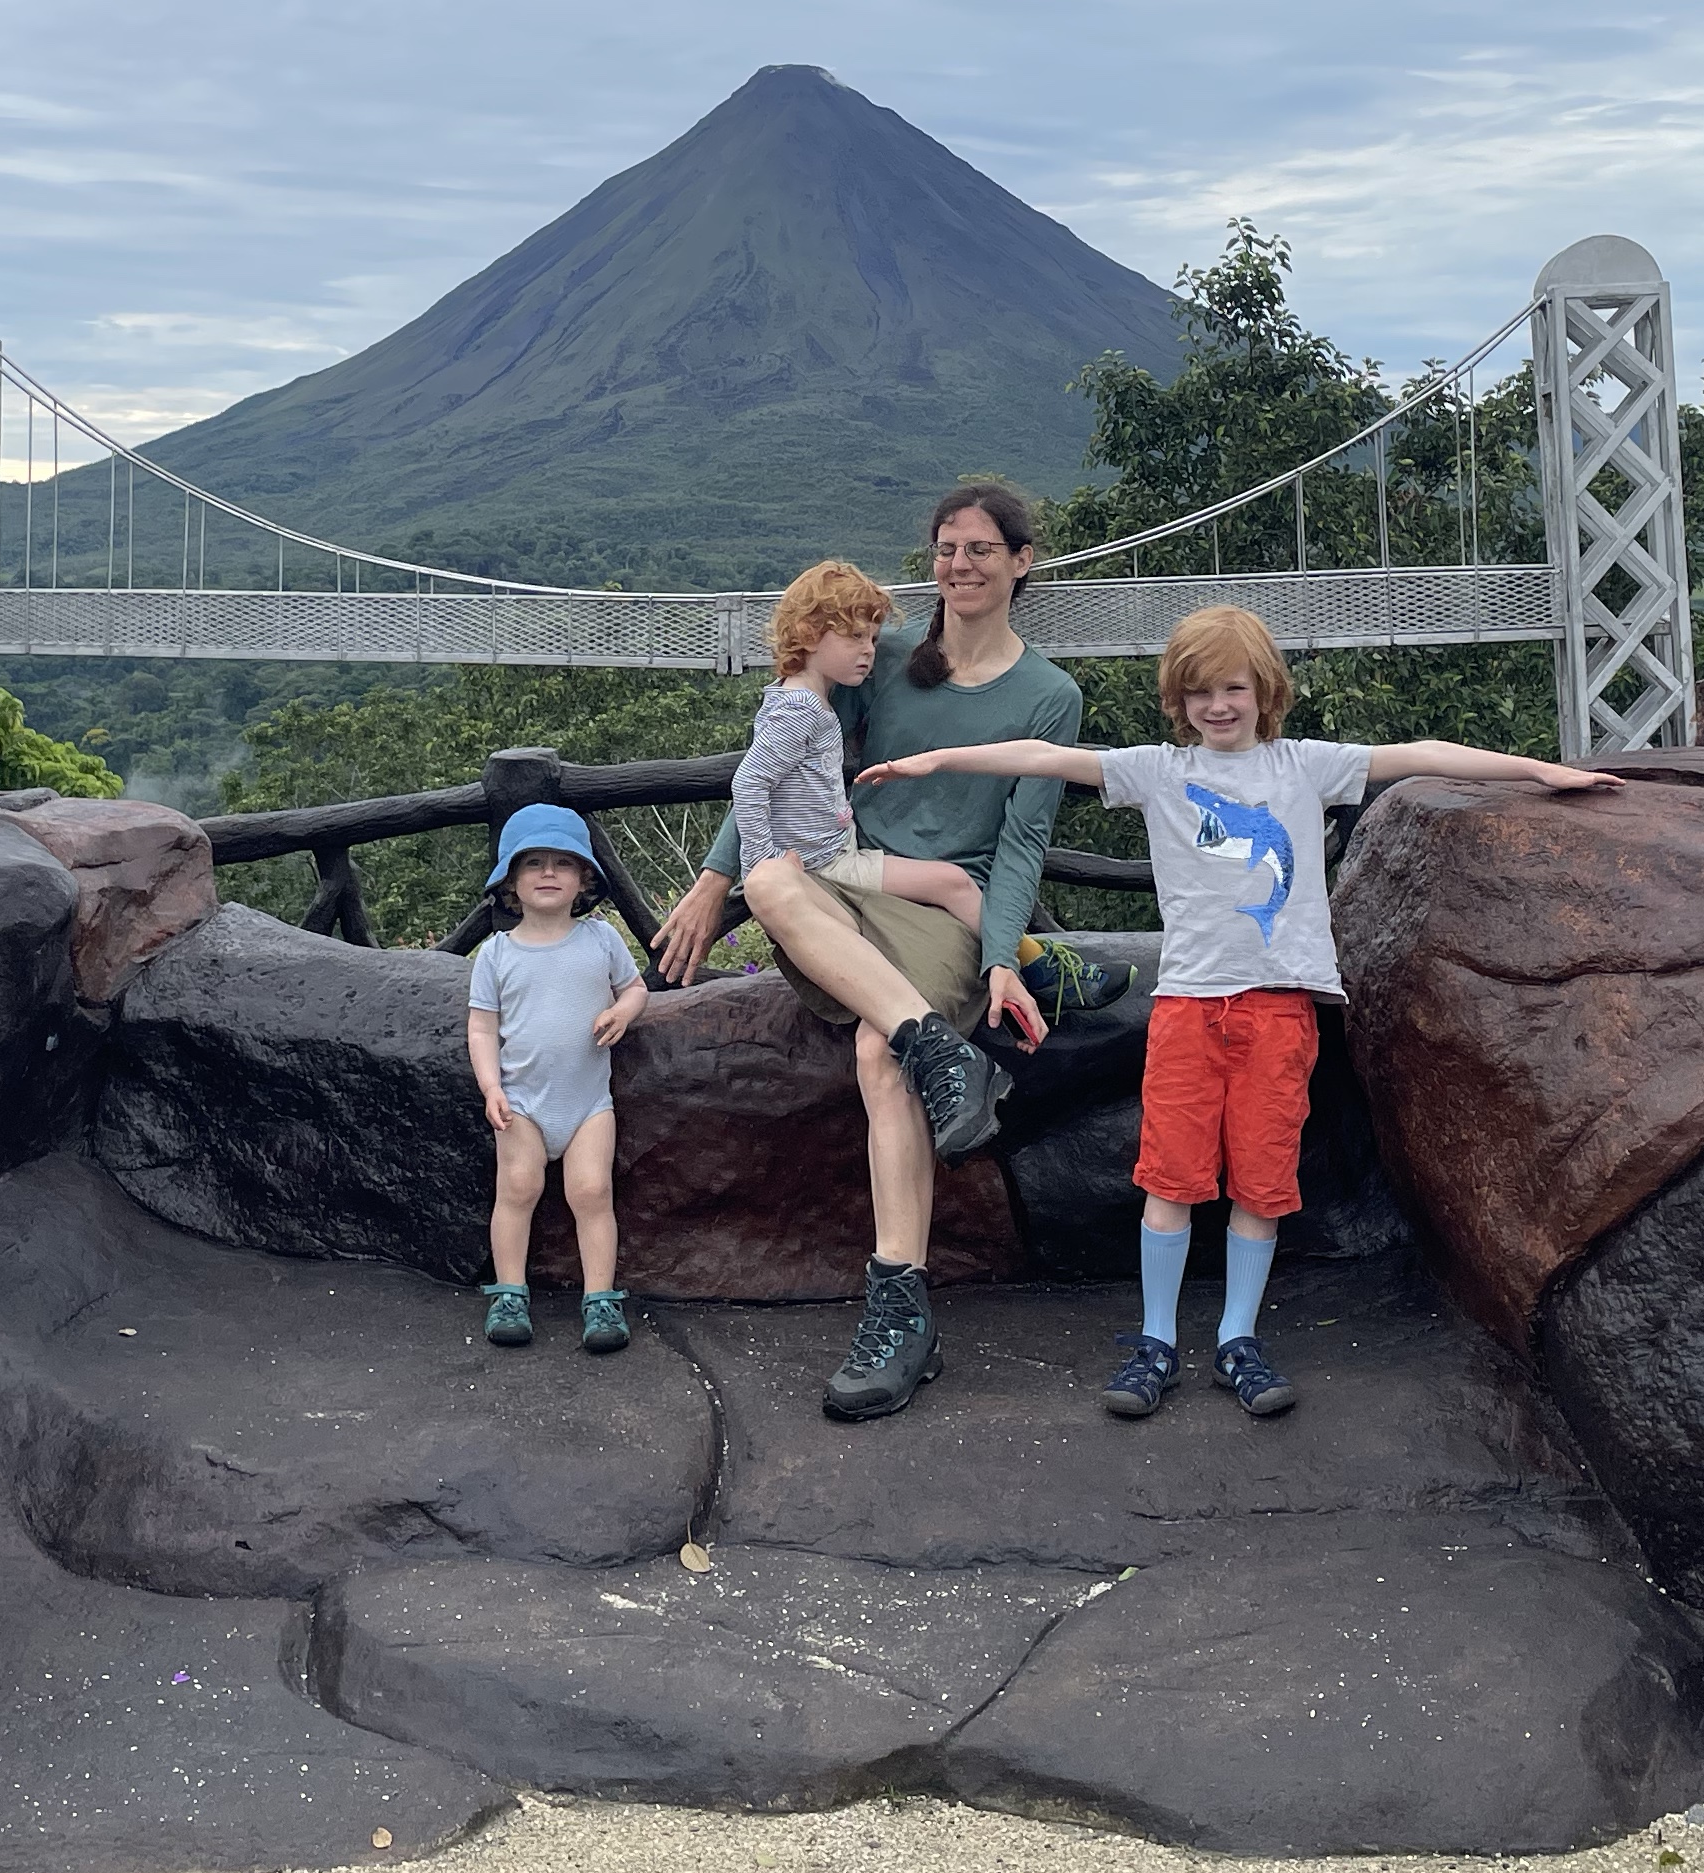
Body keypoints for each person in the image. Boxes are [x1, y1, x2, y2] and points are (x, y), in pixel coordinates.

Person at [866, 603, 1617, 1421]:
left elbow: (1422, 755)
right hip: (1190, 1008)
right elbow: (1044, 756)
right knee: (1171, 1180)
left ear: (1264, 690)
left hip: (1279, 1013)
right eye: (1199, 693)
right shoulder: (1160, 771)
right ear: (1178, 701)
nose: (1217, 706)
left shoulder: (1304, 767)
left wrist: (1541, 771)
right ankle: (1155, 1340)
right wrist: (932, 758)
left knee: (1261, 1185)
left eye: (1233, 688)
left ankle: (1237, 1339)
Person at [651, 481, 1123, 1423]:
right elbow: (785, 770)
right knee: (773, 879)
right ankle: (942, 1050)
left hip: (939, 910)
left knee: (877, 1051)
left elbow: (1022, 842)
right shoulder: (885, 656)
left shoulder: (1049, 696)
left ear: (1023, 562)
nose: (961, 564)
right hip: (845, 885)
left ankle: (900, 1309)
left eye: (982, 548)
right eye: (947, 547)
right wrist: (714, 874)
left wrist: (994, 957)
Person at [465, 806, 650, 1355]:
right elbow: (481, 1027)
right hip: (520, 1100)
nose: (549, 873)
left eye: (563, 864)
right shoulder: (496, 953)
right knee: (517, 1190)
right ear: (511, 882)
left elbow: (635, 988)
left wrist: (624, 1012)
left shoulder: (601, 939)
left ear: (583, 879)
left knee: (592, 1192)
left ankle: (600, 1299)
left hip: (588, 1100)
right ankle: (509, 1293)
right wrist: (491, 1087)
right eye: (534, 864)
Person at [732, 561, 990, 943]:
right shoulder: (801, 709)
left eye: (871, 639)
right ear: (807, 634)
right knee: (954, 883)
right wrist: (763, 866)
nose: (868, 651)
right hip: (828, 864)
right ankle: (1023, 961)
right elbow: (749, 782)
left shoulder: (790, 693)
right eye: (854, 636)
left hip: (828, 853)